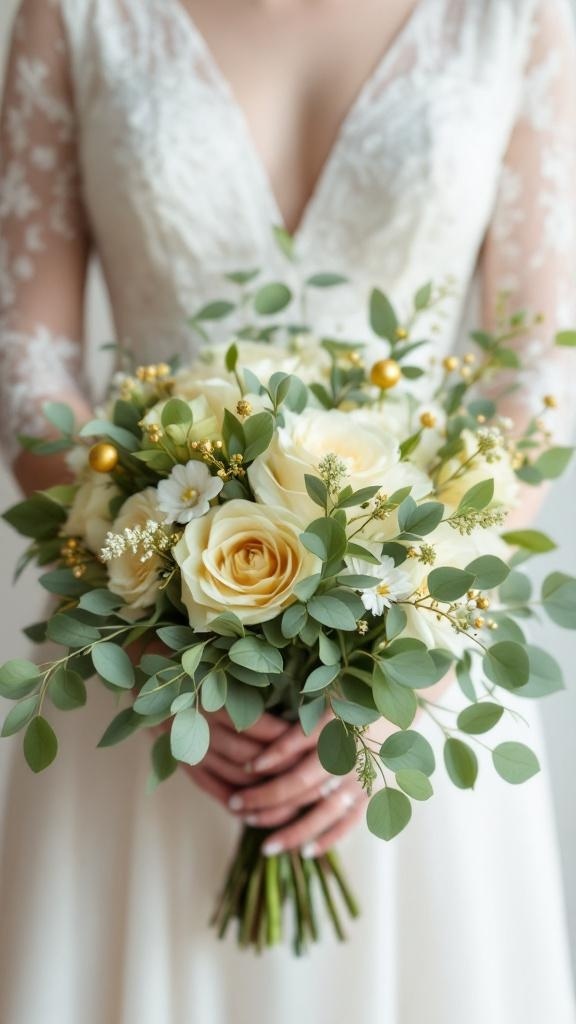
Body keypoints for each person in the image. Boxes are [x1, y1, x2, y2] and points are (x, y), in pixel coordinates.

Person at [0, 0, 575, 1021]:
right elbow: (28, 363)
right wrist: (150, 629)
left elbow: (537, 363)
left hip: (412, 685)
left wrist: (414, 642)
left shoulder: (516, 15)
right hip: (145, 684)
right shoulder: (75, 12)